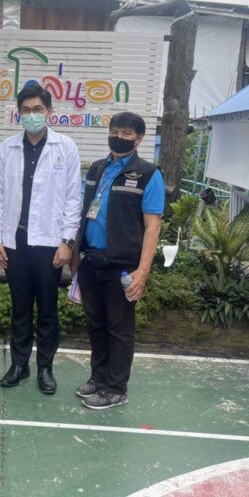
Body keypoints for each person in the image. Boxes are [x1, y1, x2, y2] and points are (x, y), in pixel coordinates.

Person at [0, 84, 81, 395]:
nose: (32, 115)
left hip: (49, 243)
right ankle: (19, 364)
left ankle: (45, 367)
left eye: (38, 109)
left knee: (48, 309)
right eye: (26, 110)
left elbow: (73, 198)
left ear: (49, 111)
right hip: (15, 242)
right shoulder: (7, 148)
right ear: (19, 114)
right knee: (20, 307)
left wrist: (67, 241)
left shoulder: (65, 147)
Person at [73, 111, 164, 410]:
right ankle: (98, 378)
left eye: (126, 133)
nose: (119, 137)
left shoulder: (148, 174)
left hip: (122, 266)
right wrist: (75, 254)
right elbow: (85, 212)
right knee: (96, 325)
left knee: (120, 330)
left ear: (139, 138)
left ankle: (115, 388)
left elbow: (152, 226)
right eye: (115, 131)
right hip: (91, 260)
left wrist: (142, 271)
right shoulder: (97, 169)